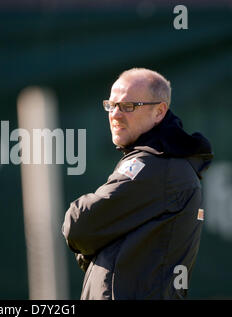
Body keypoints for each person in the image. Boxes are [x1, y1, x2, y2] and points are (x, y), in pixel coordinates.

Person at [62, 68, 213, 299]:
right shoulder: (163, 162)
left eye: (128, 106)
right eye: (111, 105)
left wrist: (91, 236)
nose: (115, 114)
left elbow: (79, 225)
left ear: (159, 112)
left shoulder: (156, 166)